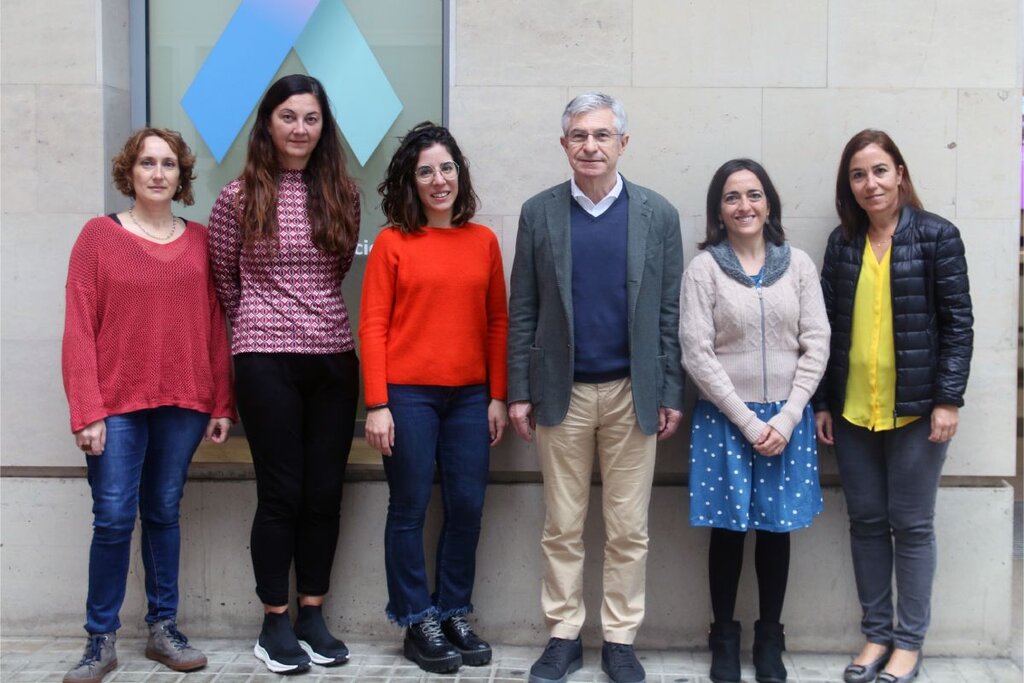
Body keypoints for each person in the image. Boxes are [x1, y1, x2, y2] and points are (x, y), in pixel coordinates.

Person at [507, 92, 685, 683]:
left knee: (628, 529)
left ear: (622, 143)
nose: (590, 146)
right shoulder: (539, 213)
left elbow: (667, 311)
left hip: (633, 393)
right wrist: (518, 391)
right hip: (563, 394)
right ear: (564, 145)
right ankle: (562, 634)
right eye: (579, 136)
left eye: (602, 135)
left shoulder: (657, 214)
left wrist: (670, 392)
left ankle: (619, 639)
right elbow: (524, 309)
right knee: (562, 525)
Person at [61, 128, 234, 683]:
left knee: (163, 511)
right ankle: (100, 640)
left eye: (167, 164)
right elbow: (78, 329)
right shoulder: (98, 237)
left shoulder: (202, 240)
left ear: (181, 175)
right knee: (113, 516)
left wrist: (221, 404)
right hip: (115, 405)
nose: (157, 173)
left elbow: (216, 326)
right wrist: (86, 409)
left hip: (184, 401)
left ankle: (163, 628)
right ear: (129, 173)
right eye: (146, 163)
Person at [208, 74, 361, 675]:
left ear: (324, 127)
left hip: (332, 355)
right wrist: (260, 323)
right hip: (264, 356)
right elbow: (225, 279)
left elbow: (339, 265)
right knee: (282, 493)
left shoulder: (343, 193)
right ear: (268, 122)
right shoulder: (238, 197)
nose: (300, 128)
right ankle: (274, 621)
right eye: (289, 116)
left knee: (325, 492)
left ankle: (312, 612)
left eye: (311, 118)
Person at [815, 130, 972, 683]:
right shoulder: (842, 244)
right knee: (866, 523)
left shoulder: (936, 237)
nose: (870, 184)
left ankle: (909, 643)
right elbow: (825, 330)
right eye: (858, 175)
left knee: (911, 525)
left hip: (916, 412)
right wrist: (824, 403)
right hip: (854, 412)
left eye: (880, 171)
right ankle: (877, 635)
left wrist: (948, 399)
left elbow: (958, 326)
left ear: (900, 173)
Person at [359, 122, 508, 674]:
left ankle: (453, 611)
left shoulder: (483, 241)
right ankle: (416, 617)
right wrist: (377, 403)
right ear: (410, 181)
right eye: (426, 171)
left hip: (471, 397)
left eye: (446, 168)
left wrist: (497, 395)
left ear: (459, 174)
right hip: (408, 397)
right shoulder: (394, 244)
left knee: (467, 505)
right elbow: (371, 326)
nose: (438, 180)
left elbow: (498, 322)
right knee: (409, 508)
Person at [680, 159, 830, 683]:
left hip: (786, 421)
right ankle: (724, 637)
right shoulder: (704, 269)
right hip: (727, 419)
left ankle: (770, 639)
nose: (744, 205)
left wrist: (788, 419)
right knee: (727, 532)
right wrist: (747, 421)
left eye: (754, 194)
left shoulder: (800, 266)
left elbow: (817, 344)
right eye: (731, 197)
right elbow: (696, 353)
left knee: (776, 531)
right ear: (718, 210)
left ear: (769, 204)